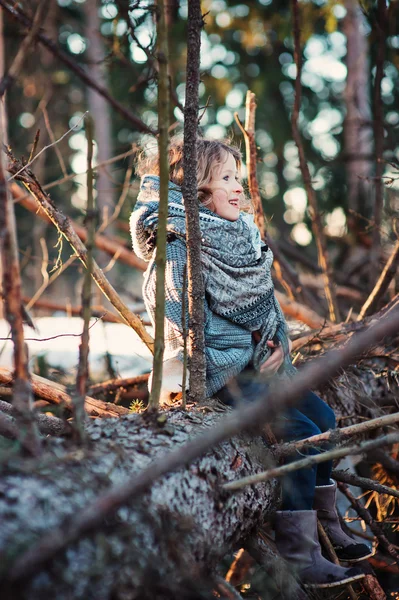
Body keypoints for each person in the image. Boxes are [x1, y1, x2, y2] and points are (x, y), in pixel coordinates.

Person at [130, 137, 371, 589]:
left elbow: (265, 306)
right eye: (225, 179)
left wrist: (275, 349)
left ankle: (327, 523)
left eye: (238, 178)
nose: (238, 189)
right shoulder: (180, 246)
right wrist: (239, 363)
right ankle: (300, 553)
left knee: (322, 416)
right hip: (221, 376)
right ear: (195, 190)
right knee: (298, 433)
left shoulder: (240, 235)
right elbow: (183, 327)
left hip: (255, 365)